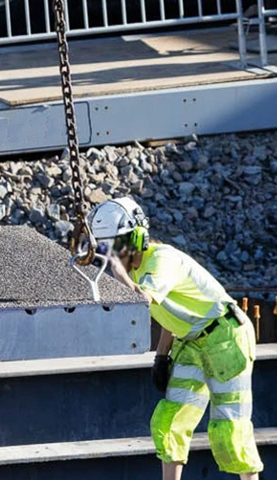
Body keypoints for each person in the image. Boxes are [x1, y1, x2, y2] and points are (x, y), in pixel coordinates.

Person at [89, 197, 263, 480]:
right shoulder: (135, 268)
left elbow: (145, 300)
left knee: (230, 430)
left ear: (136, 237)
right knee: (170, 422)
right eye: (107, 246)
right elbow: (169, 316)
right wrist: (161, 356)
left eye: (116, 245)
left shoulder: (161, 260)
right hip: (191, 341)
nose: (113, 254)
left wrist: (118, 272)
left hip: (226, 338)